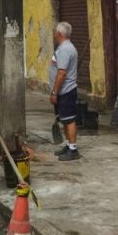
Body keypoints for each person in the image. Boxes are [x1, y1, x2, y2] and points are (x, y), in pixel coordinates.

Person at [49, 22, 81, 161]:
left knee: (69, 120)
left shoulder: (65, 49)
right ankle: (68, 145)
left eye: (56, 32)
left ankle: (73, 149)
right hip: (64, 91)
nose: (55, 34)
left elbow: (62, 73)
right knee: (65, 119)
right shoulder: (65, 47)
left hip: (65, 91)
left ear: (59, 34)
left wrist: (54, 93)